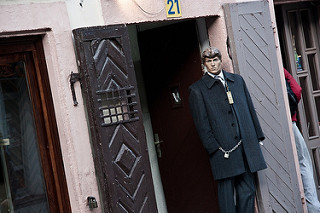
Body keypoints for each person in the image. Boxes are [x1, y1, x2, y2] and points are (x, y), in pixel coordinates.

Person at [188, 47, 267, 213]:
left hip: (245, 146)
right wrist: (214, 149)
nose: (213, 64)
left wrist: (258, 137)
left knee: (248, 190)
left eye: (215, 60)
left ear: (220, 60)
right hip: (222, 150)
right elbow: (202, 124)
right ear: (204, 65)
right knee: (226, 196)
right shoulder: (197, 90)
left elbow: (250, 109)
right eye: (209, 61)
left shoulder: (237, 81)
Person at [284, 68, 320, 213]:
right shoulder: (279, 68)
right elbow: (297, 90)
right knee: (303, 163)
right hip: (290, 123)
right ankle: (312, 207)